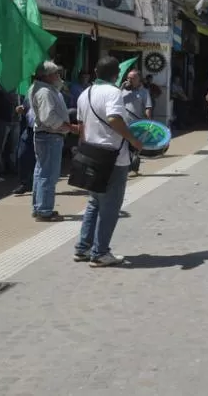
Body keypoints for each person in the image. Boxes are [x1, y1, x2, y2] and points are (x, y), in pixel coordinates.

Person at [74, 56, 144, 267]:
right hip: (112, 158)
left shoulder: (85, 93)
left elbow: (81, 126)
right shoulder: (113, 93)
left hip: (91, 153)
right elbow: (114, 118)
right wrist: (133, 140)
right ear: (117, 75)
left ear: (95, 71)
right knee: (110, 208)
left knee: (94, 203)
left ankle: (83, 248)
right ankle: (100, 252)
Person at [28, 61, 74, 221]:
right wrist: (69, 127)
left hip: (46, 136)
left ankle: (39, 207)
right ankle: (44, 210)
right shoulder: (45, 92)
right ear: (47, 76)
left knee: (41, 172)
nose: (58, 77)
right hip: (50, 136)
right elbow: (49, 117)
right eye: (56, 74)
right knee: (48, 174)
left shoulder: (45, 89)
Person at [121, 70, 152, 174]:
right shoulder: (122, 90)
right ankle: (126, 167)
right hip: (123, 123)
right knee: (123, 146)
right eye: (128, 77)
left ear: (139, 79)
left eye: (132, 78)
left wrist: (148, 121)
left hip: (137, 123)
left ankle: (134, 168)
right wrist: (120, 87)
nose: (129, 80)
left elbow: (148, 107)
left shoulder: (144, 92)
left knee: (135, 146)